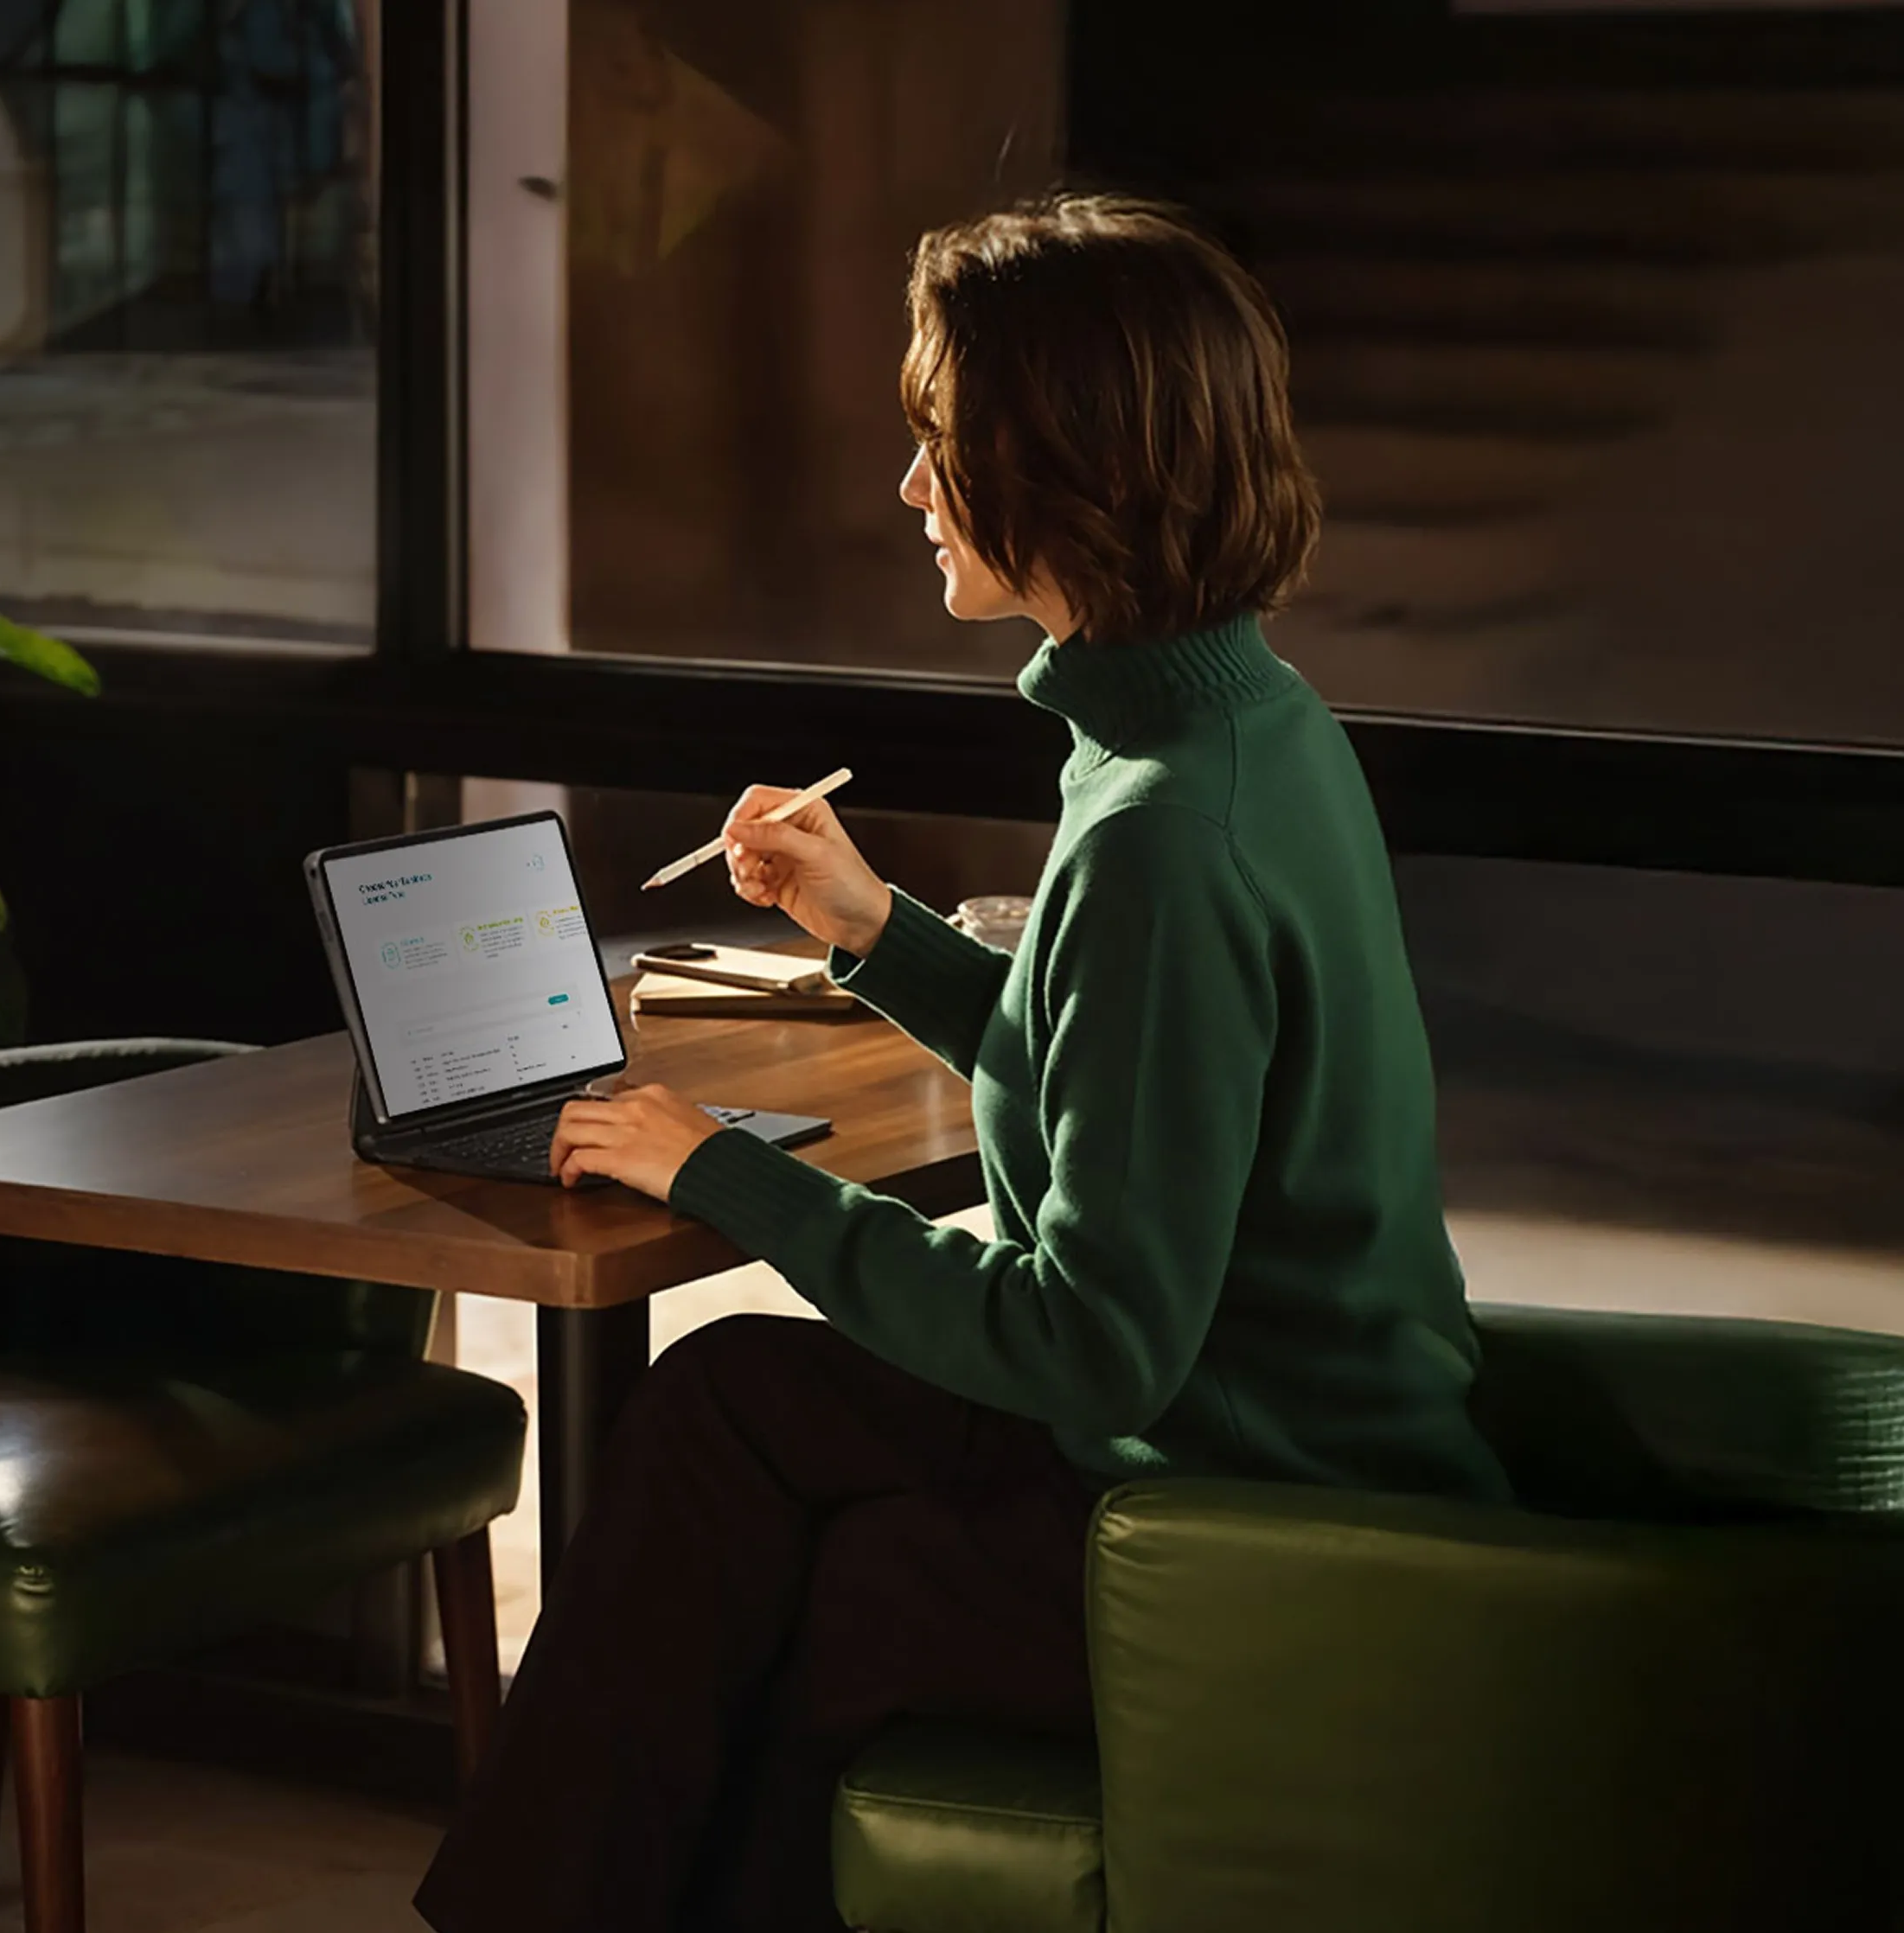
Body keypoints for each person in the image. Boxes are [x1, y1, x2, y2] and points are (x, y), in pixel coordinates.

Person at [413, 194, 1511, 1933]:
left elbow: (1092, 1334)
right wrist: (881, 931)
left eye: (938, 441)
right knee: (721, 1404)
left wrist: (719, 1168)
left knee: (844, 1591)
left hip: (1255, 1507)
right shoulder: (1239, 720)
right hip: (1244, 1423)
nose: (911, 488)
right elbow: (1131, 1094)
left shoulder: (1167, 828)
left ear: (1061, 463)